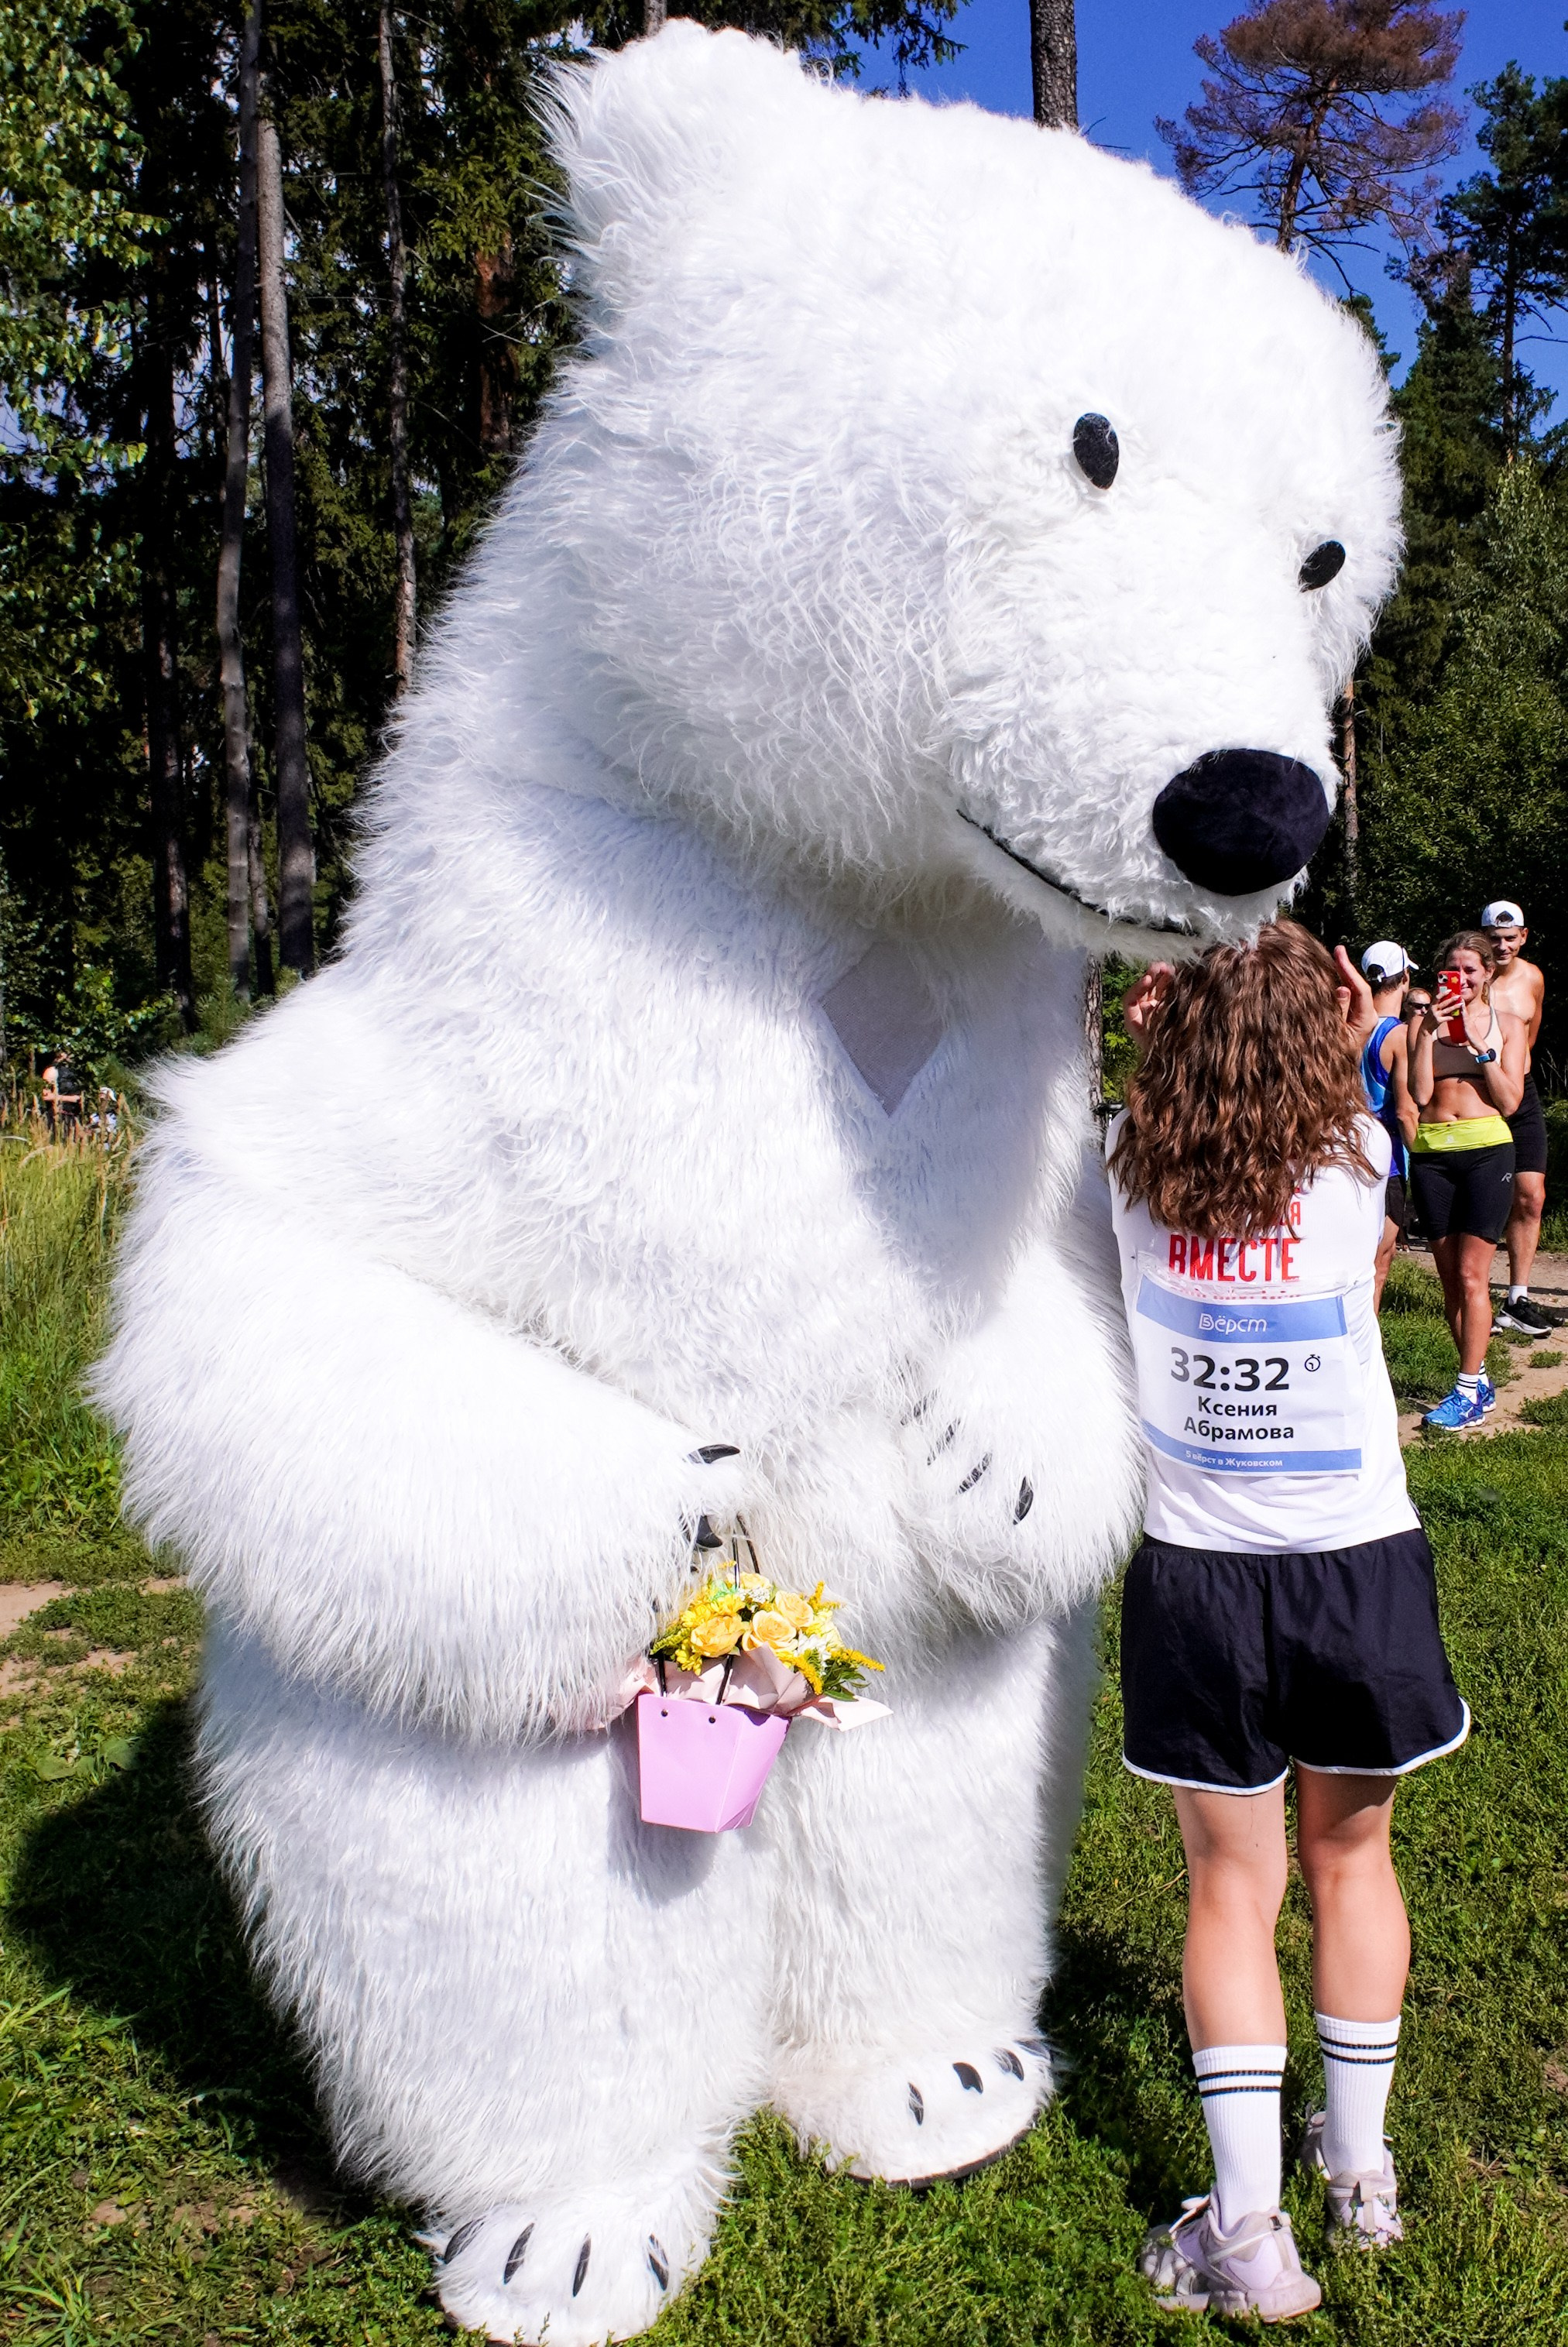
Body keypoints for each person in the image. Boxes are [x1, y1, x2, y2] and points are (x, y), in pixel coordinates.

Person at [1108, 921, 1468, 2322]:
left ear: (1172, 1039)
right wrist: (1284, 982)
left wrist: (1161, 1027)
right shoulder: (1363, 1163)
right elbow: (1334, 1022)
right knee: (1354, 1867)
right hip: (1354, 1566)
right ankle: (1361, 2177)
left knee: (1231, 1891)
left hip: (1199, 1572)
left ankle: (1247, 2228)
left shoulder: (1124, 1177)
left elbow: (1172, 1090)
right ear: (1325, 1031)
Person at [1407, 932, 1526, 1429]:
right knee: (1450, 1279)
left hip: (1486, 1152)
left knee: (1474, 1274)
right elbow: (1417, 1091)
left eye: (1470, 971)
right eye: (1451, 972)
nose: (1461, 980)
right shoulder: (1424, 1022)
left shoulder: (1509, 1024)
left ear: (1488, 974)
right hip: (1433, 1152)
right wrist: (1428, 1032)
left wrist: (1480, 1048)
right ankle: (1476, 1382)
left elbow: (1511, 1101)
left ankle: (1465, 1389)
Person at [1481, 901, 1551, 1337]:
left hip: (1521, 1093)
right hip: (1480, 1097)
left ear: (1524, 936)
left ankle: (1517, 1297)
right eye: (1495, 937)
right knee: (1488, 1195)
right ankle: (1474, 1294)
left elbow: (1531, 1033)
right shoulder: (1472, 980)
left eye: (1511, 938)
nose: (1502, 945)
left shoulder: (1533, 978)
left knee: (1532, 1195)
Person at [1358, 942, 1417, 1310]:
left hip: (1347, 1146)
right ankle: (1367, 1354)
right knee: (1379, 1262)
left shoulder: (1346, 1027)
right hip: (1389, 1155)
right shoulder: (1398, 1035)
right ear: (1405, 979)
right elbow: (1406, 1110)